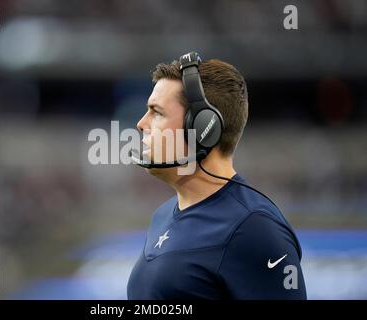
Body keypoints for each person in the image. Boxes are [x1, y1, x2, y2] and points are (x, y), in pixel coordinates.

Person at [127, 52, 306, 299]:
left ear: (202, 128)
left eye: (156, 112)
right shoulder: (163, 215)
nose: (141, 123)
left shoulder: (255, 229)